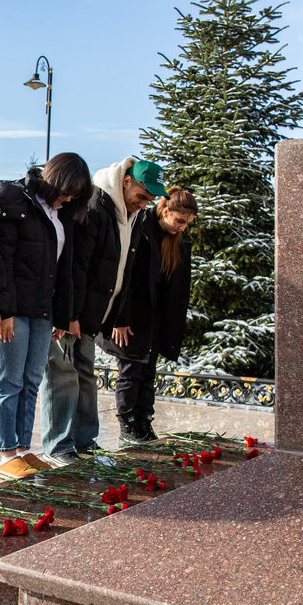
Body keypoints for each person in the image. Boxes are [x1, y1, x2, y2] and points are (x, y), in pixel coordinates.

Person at [40, 158, 167, 465]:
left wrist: (114, 313)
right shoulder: (98, 203)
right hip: (74, 310)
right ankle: (58, 445)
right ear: (126, 181)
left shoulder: (134, 213)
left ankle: (85, 440)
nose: (144, 203)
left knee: (84, 372)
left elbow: (124, 265)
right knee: (63, 375)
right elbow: (78, 263)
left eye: (150, 199)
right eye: (142, 195)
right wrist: (70, 314)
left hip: (95, 311)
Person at [0, 153, 92, 480]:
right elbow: (2, 260)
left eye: (75, 195)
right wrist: (2, 311)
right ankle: (6, 453)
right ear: (55, 180)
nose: (69, 199)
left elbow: (63, 270)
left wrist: (61, 316)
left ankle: (23, 449)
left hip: (42, 311)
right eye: (67, 191)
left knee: (32, 381)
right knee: (9, 381)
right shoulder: (15, 198)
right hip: (13, 311)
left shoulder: (61, 214)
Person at [98, 187, 198, 444]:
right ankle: (128, 424)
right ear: (165, 211)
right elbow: (124, 275)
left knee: (147, 372)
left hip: (153, 316)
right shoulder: (140, 227)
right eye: (179, 221)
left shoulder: (171, 239)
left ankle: (144, 421)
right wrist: (120, 318)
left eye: (187, 223)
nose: (182, 228)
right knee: (131, 371)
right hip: (130, 315)